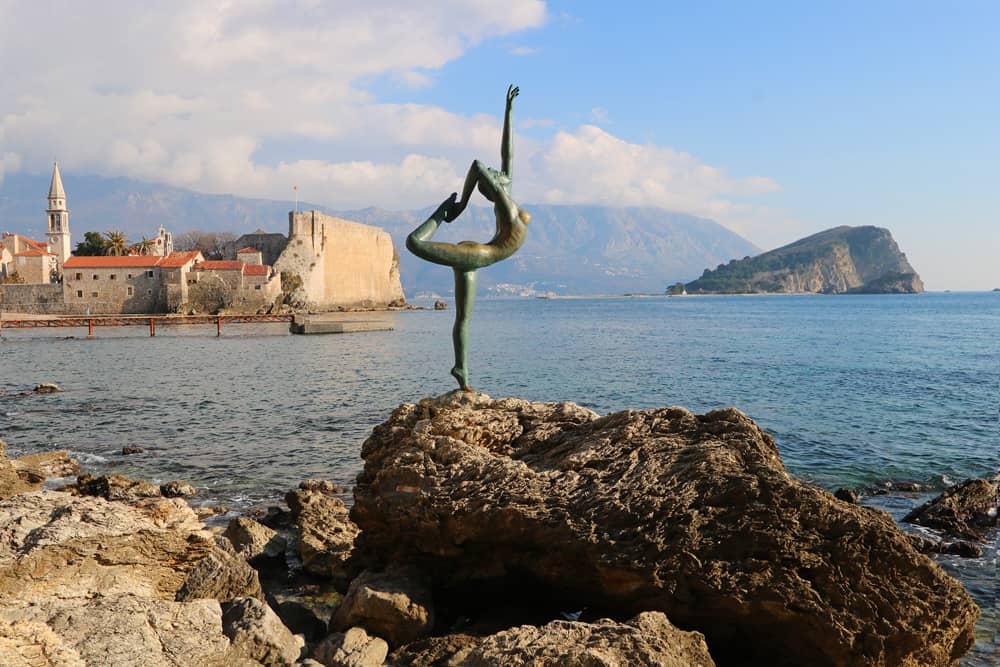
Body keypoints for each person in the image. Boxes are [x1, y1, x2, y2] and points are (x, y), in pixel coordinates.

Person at [406, 85, 530, 392]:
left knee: (463, 319)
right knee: (413, 243)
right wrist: (458, 205)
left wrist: (508, 112)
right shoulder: (505, 203)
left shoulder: (506, 198)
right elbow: (477, 166)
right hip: (477, 255)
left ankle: (461, 367)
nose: (494, 170)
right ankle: (438, 214)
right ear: (496, 186)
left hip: (477, 257)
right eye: (494, 173)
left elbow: (507, 153)